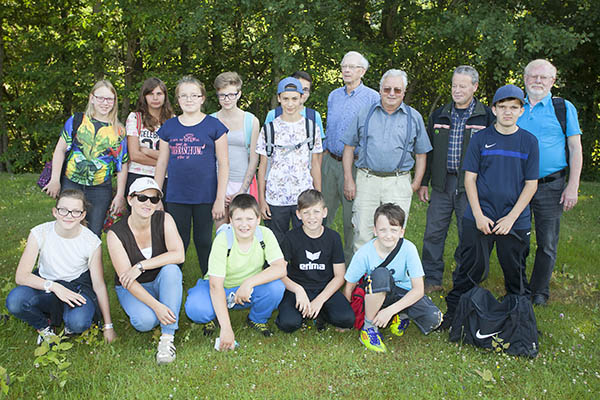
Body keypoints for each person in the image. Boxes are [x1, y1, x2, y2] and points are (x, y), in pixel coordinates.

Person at [442, 85, 539, 329]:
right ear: (494, 109)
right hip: (479, 216)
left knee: (515, 273)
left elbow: (531, 185)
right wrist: (478, 215)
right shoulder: (481, 139)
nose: (508, 112)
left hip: (514, 220)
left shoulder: (529, 142)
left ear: (521, 111)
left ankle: (521, 322)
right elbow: (469, 179)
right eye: (503, 107)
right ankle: (454, 316)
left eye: (514, 108)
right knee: (469, 269)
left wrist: (511, 219)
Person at [6, 189, 117, 344]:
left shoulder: (91, 242)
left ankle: (67, 322)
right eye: (63, 210)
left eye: (75, 211)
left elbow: (98, 285)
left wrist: (108, 326)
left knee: (79, 322)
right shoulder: (40, 232)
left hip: (76, 288)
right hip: (45, 284)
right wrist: (55, 287)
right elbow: (21, 276)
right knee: (15, 301)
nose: (69, 216)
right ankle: (44, 326)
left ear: (83, 215)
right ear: (55, 212)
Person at [419, 66, 495, 293]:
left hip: (471, 187)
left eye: (463, 86)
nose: (457, 90)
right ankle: (432, 278)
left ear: (475, 87)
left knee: (468, 232)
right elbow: (429, 151)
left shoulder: (486, 117)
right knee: (433, 232)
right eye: (454, 85)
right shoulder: (439, 114)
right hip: (443, 184)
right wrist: (425, 180)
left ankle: (464, 278)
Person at [342, 69, 432, 252]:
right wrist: (348, 179)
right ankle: (364, 278)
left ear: (404, 92)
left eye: (397, 90)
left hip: (398, 182)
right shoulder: (365, 113)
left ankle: (390, 277)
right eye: (387, 89)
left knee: (393, 233)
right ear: (380, 89)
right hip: (367, 180)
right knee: (362, 231)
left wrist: (415, 184)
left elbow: (422, 153)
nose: (392, 94)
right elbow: (349, 148)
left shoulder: (414, 117)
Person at [517, 59, 583, 306]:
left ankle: (539, 291)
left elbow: (575, 148)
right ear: (524, 79)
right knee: (516, 238)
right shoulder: (514, 106)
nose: (538, 81)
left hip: (551, 185)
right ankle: (518, 287)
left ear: (552, 81)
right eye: (533, 76)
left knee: (547, 242)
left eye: (544, 77)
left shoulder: (563, 108)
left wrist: (573, 185)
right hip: (518, 185)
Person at [184, 194, 286, 349]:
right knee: (195, 308)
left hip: (248, 290)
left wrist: (248, 283)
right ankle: (214, 317)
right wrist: (226, 329)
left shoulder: (265, 234)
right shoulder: (223, 239)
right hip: (221, 288)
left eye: (249, 219)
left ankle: (257, 319)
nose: (244, 225)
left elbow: (280, 268)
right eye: (238, 219)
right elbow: (215, 286)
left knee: (277, 287)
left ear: (258, 219)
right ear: (230, 220)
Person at [154, 76, 229, 276]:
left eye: (194, 95)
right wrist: (156, 195)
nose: (189, 100)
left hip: (206, 195)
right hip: (177, 195)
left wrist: (220, 198)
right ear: (177, 99)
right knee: (178, 241)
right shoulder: (169, 127)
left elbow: (223, 164)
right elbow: (162, 162)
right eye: (184, 96)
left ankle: (209, 280)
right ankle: (173, 280)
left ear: (202, 98)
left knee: (204, 241)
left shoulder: (215, 126)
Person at [343, 203, 442, 352]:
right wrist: (346, 317)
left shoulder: (409, 248)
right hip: (376, 294)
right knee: (382, 273)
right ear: (375, 230)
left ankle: (399, 316)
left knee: (433, 318)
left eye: (394, 230)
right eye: (383, 230)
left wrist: (389, 311)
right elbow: (349, 286)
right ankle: (369, 328)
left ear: (402, 232)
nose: (388, 235)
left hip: (401, 292)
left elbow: (419, 289)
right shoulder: (364, 253)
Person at [107, 177, 184, 365]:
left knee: (172, 270)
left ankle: (167, 339)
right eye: (142, 198)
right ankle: (164, 305)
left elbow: (179, 255)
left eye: (154, 199)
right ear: (130, 199)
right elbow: (128, 279)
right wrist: (157, 307)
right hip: (132, 287)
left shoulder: (164, 219)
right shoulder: (115, 234)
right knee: (145, 323)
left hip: (159, 280)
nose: (148, 203)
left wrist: (141, 265)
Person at [42, 80, 128, 237]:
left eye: (109, 99)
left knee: (93, 233)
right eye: (100, 98)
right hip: (71, 183)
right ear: (92, 98)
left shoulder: (119, 130)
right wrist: (55, 180)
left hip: (100, 188)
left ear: (114, 102)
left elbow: (122, 165)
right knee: (66, 226)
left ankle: (89, 262)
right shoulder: (77, 120)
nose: (105, 103)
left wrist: (120, 195)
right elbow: (60, 150)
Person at [323, 51, 379, 264]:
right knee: (321, 214)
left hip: (355, 166)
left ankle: (349, 266)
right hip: (330, 162)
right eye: (344, 65)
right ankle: (321, 261)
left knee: (351, 220)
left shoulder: (373, 98)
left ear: (362, 71)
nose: (346, 70)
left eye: (352, 67)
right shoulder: (334, 95)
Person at [275, 189, 355, 333]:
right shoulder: (290, 238)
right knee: (288, 324)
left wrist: (320, 299)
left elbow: (339, 276)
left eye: (316, 212)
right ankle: (306, 312)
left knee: (347, 320)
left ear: (324, 212)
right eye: (306, 212)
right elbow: (279, 273)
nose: (312, 217)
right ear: (298, 215)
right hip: (298, 288)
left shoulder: (333, 238)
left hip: (325, 287)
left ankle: (319, 312)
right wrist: (297, 290)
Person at [256, 77, 323, 244]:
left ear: (301, 98)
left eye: (294, 99)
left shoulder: (310, 127)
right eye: (285, 99)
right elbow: (263, 166)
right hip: (276, 197)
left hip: (304, 196)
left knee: (305, 242)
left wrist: (318, 197)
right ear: (279, 98)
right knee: (277, 244)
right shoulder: (269, 129)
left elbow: (315, 164)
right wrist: (262, 199)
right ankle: (280, 271)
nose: (290, 104)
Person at [211, 72, 260, 227]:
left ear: (239, 94)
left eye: (231, 94)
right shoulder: (210, 120)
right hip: (218, 183)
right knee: (221, 232)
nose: (227, 99)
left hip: (243, 182)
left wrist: (242, 190)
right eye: (222, 95)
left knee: (244, 230)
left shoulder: (251, 121)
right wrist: (220, 193)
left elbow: (254, 159)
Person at [125, 77, 174, 201]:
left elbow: (174, 155)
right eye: (151, 94)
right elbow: (134, 155)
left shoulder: (173, 120)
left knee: (162, 217)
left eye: (159, 94)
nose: (155, 98)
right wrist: (164, 162)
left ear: (165, 96)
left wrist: (147, 151)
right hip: (138, 175)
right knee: (140, 216)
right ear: (144, 96)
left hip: (166, 178)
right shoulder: (135, 118)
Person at [264, 71, 325, 168]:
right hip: (278, 173)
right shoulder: (273, 115)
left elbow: (318, 152)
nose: (302, 93)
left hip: (305, 175)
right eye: (299, 88)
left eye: (306, 90)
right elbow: (265, 149)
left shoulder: (314, 116)